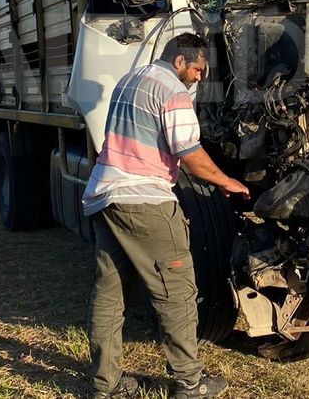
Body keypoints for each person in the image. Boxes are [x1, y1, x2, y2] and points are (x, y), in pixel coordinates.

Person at [83, 32, 249, 399]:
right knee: (177, 293)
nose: (200, 77)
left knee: (109, 295)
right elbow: (189, 153)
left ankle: (105, 387)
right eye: (198, 69)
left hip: (107, 196)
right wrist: (227, 182)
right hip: (145, 201)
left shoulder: (131, 79)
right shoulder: (172, 92)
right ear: (179, 61)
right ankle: (190, 384)